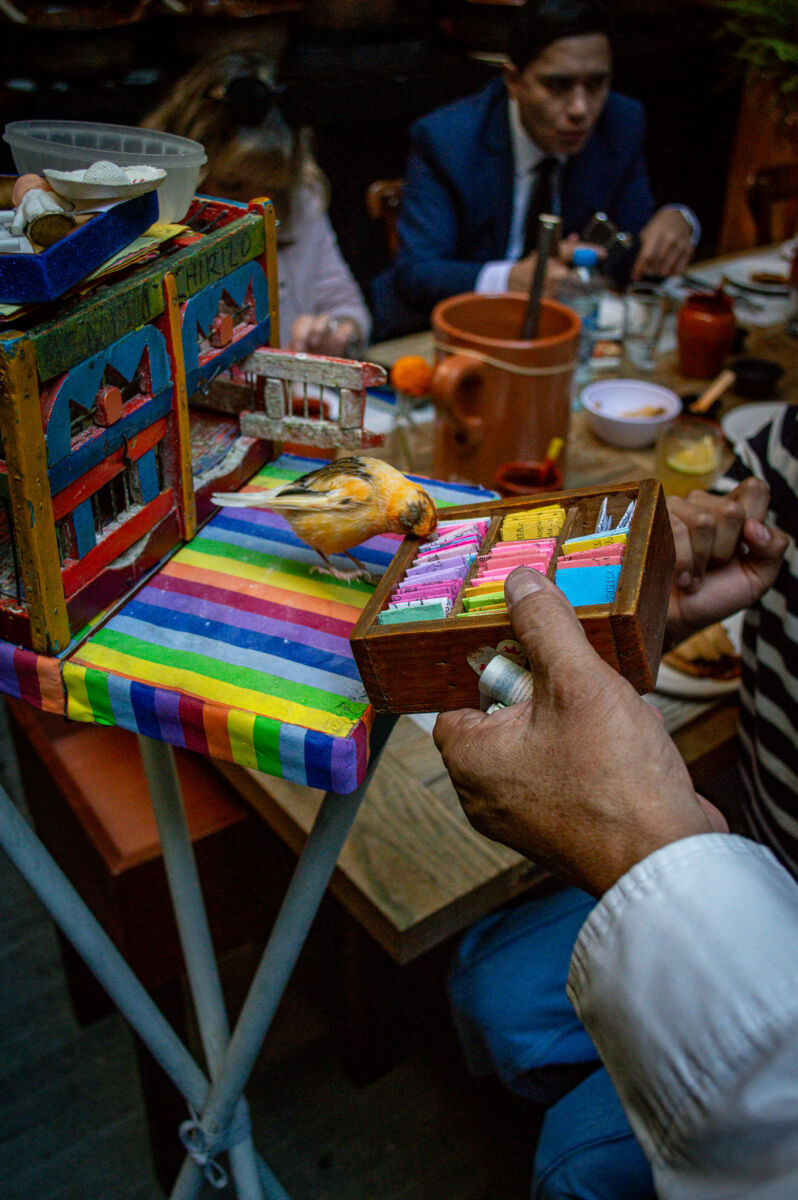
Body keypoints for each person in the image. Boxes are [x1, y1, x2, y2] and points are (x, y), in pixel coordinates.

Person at [438, 404, 797, 1199]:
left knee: (573, 1170)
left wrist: (637, 839)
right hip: (759, 852)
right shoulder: (784, 446)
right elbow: (720, 548)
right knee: (486, 992)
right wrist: (652, 602)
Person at [371, 0, 699, 340]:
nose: (580, 109)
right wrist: (510, 280)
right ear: (513, 81)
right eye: (558, 85)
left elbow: (631, 252)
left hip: (567, 337)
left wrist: (678, 220)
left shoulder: (620, 123)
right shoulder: (448, 138)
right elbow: (417, 273)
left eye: (597, 84)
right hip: (462, 333)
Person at [143, 52, 372, 357]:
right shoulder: (149, 224)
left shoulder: (300, 194)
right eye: (231, 186)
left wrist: (338, 333)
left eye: (271, 190)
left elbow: (347, 307)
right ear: (188, 175)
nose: (254, 211)